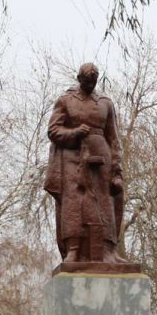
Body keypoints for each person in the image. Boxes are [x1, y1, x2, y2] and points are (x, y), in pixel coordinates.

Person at [44, 63, 126, 264]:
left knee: (104, 202)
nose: (90, 85)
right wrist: (74, 133)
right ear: (79, 79)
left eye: (94, 81)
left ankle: (108, 251)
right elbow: (53, 131)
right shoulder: (66, 100)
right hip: (73, 158)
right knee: (74, 203)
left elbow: (114, 139)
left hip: (101, 159)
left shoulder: (105, 103)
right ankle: (74, 249)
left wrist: (117, 171)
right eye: (87, 81)